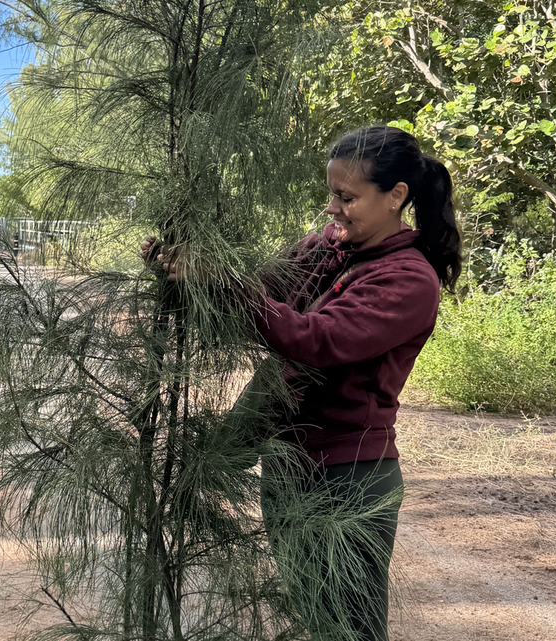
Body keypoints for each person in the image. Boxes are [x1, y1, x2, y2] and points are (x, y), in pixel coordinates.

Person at [142, 126, 461, 641]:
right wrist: (190, 273)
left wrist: (223, 282)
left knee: (348, 630)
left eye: (346, 197)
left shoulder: (408, 280)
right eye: (331, 193)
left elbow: (315, 339)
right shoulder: (329, 248)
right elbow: (264, 288)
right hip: (286, 467)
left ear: (396, 196)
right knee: (313, 621)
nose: (332, 208)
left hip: (346, 480)